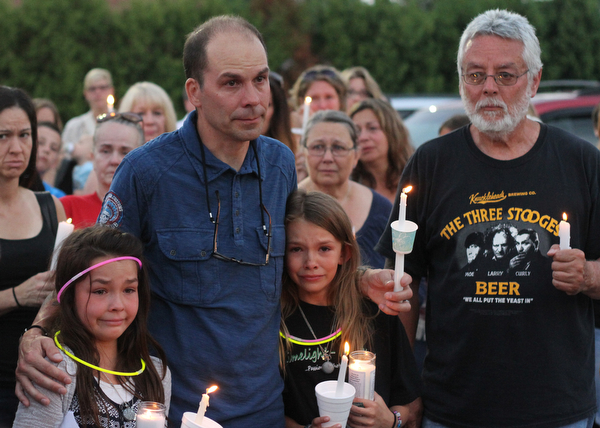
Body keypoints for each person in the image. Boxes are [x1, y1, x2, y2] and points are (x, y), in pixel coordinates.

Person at [16, 16, 410, 428]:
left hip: (267, 412)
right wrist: (37, 333)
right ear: (194, 92)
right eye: (231, 83)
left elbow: (298, 260)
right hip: (173, 410)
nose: (253, 98)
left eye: (260, 79)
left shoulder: (279, 165)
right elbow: (89, 272)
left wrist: (359, 278)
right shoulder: (146, 171)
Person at [376, 9, 600, 428]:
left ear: (533, 81)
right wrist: (405, 388)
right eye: (475, 75)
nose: (489, 89)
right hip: (453, 408)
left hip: (556, 409)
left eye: (505, 75)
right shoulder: (431, 163)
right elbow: (403, 282)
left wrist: (587, 274)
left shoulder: (582, 163)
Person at [281, 190, 422, 428]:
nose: (311, 262)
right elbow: (268, 407)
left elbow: (410, 402)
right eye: (296, 249)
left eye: (324, 248)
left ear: (344, 253)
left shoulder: (374, 312)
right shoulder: (276, 320)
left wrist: (390, 421)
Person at [13, 225, 171, 427]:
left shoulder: (155, 373)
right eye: (100, 291)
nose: (117, 305)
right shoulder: (57, 368)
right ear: (69, 297)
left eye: (129, 290)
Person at [0, 86, 66, 425]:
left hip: (42, 370)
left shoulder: (49, 206)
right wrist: (14, 296)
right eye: (3, 136)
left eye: (25, 134)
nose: (17, 147)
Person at [299, 110, 391, 268]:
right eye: (318, 147)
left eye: (338, 148)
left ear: (356, 155)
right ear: (304, 152)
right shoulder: (286, 204)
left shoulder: (382, 211)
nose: (328, 158)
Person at [60, 113, 145, 229]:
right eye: (106, 151)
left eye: (125, 152)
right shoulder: (67, 208)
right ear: (92, 156)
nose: (114, 160)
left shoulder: (150, 213)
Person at [350, 99, 413, 203]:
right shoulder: (348, 185)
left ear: (392, 132)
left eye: (372, 128)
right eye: (356, 131)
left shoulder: (416, 179)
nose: (363, 137)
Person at [62, 68, 114, 149]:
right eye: (92, 89)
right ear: (85, 94)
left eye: (102, 87)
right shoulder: (74, 126)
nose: (98, 92)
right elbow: (64, 153)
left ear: (111, 90)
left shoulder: (124, 122)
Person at [36, 122, 66, 198]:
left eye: (53, 148)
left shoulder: (58, 198)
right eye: (40, 143)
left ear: (56, 161)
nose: (47, 150)